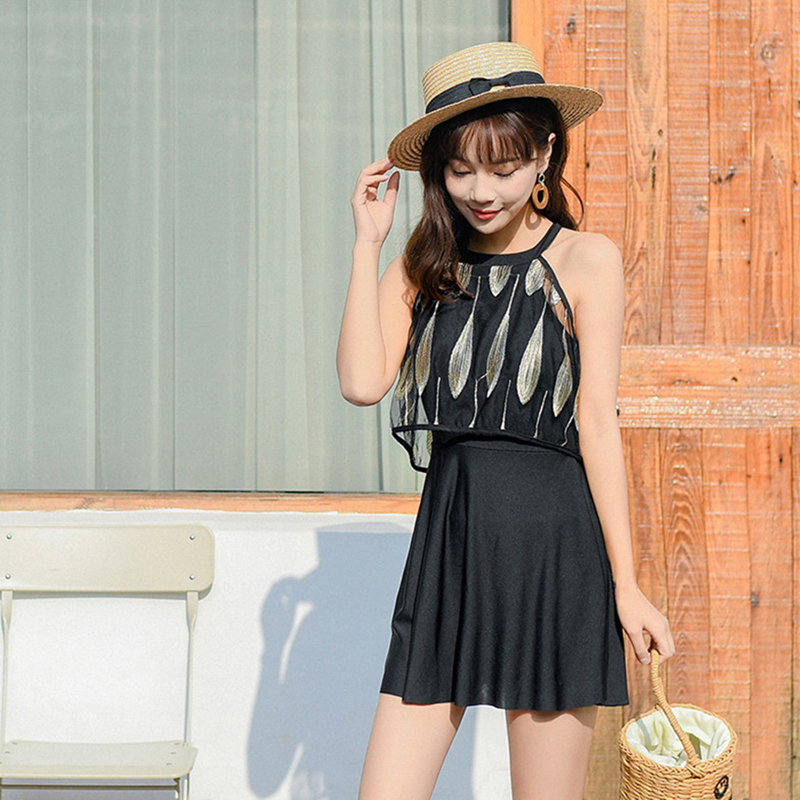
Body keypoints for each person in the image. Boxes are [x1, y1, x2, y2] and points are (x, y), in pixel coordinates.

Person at [337, 41, 675, 800]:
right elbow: (361, 382)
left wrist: (626, 587)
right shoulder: (427, 263)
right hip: (449, 551)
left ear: (546, 153)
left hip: (557, 554)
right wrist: (368, 243)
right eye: (460, 170)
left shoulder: (588, 260)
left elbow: (597, 424)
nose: (481, 191)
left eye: (504, 167)